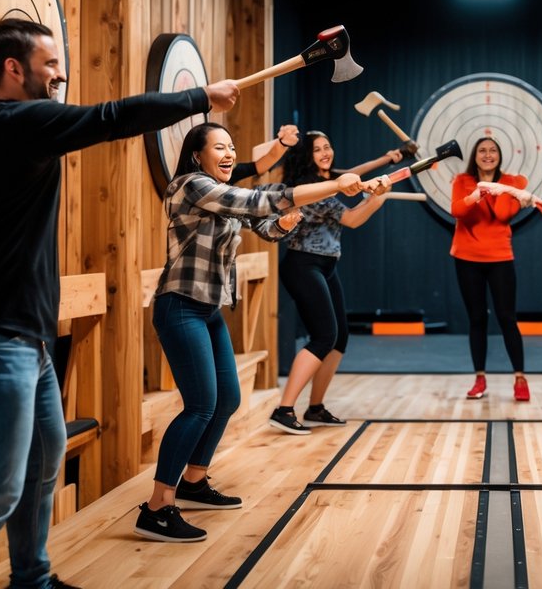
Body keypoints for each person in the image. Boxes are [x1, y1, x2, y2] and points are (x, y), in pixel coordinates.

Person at [0, 18, 239, 589]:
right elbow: (109, 119)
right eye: (51, 64)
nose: (60, 74)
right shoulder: (15, 122)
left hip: (21, 337)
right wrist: (199, 98)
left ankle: (32, 579)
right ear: (14, 70)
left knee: (42, 466)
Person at [137, 122, 372, 543]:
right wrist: (326, 188)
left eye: (232, 147)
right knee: (200, 406)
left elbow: (263, 224)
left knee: (226, 398)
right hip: (180, 307)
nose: (229, 154)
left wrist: (286, 223)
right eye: (220, 148)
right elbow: (259, 200)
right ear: (197, 155)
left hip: (208, 310)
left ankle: (193, 482)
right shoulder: (191, 186)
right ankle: (157, 507)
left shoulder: (220, 197)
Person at [268, 132, 402, 434]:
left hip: (326, 265)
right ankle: (283, 409)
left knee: (339, 338)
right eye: (317, 149)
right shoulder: (309, 189)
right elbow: (352, 218)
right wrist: (378, 197)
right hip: (302, 264)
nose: (325, 152)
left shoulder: (330, 178)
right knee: (324, 336)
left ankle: (315, 407)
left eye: (328, 146)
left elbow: (356, 172)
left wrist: (386, 163)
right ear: (306, 155)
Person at [451, 136, 542, 402]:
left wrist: (497, 190)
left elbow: (503, 215)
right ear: (475, 155)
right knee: (477, 319)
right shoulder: (462, 181)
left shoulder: (513, 183)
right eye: (482, 150)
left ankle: (520, 379)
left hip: (499, 258)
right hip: (467, 257)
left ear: (499, 155)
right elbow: (458, 211)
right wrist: (476, 194)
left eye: (493, 150)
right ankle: (479, 379)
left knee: (507, 318)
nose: (487, 154)